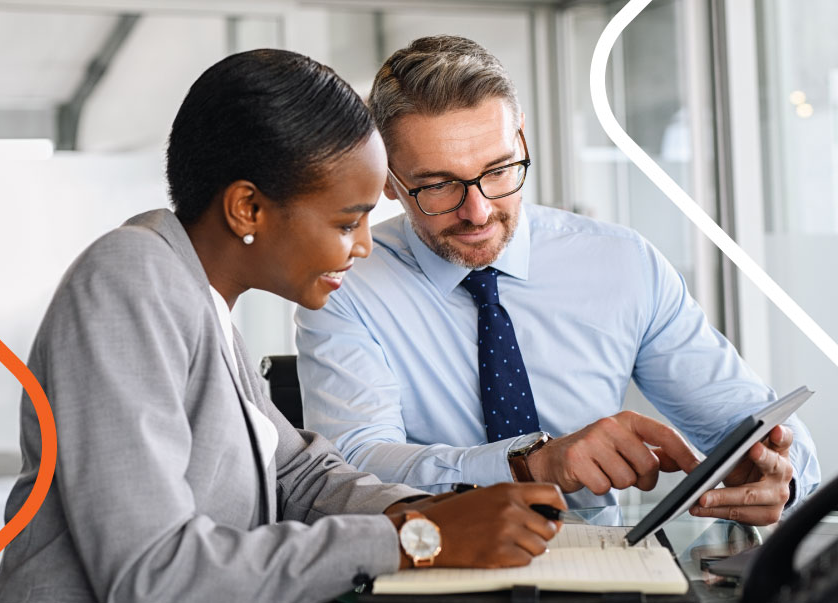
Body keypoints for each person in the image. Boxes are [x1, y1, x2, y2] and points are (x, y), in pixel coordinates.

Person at [0, 49, 565, 603]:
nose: (364, 246)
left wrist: (430, 513)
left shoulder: (198, 298)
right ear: (248, 209)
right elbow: (151, 574)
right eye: (347, 222)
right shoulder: (131, 281)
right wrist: (418, 540)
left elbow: (299, 472)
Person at [295, 35, 819, 524]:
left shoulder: (621, 264)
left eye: (499, 171)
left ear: (521, 138)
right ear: (388, 179)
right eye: (438, 186)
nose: (478, 212)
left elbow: (752, 421)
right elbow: (353, 469)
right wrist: (530, 465)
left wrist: (779, 475)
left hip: (612, 571)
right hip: (437, 571)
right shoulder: (346, 282)